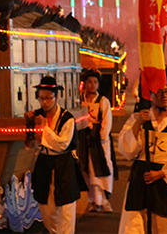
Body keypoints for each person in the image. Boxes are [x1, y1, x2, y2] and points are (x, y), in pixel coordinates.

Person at [117, 85, 167, 234]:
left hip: (165, 182)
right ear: (150, 95)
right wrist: (138, 123)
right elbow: (127, 151)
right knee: (134, 226)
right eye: (159, 92)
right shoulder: (138, 119)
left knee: (166, 226)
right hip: (141, 179)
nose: (164, 95)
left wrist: (161, 173)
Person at [27, 75, 84, 234]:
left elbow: (62, 144)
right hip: (44, 163)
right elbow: (31, 140)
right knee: (47, 209)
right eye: (41, 98)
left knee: (66, 209)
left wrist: (44, 128)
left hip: (64, 164)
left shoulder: (67, 118)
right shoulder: (37, 115)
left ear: (56, 96)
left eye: (48, 98)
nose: (44, 102)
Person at [78, 70, 115, 212]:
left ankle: (104, 200)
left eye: (95, 82)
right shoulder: (80, 100)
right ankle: (93, 201)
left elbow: (107, 122)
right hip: (84, 139)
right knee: (86, 169)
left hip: (99, 141)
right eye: (89, 82)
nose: (92, 85)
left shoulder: (103, 101)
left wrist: (101, 138)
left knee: (101, 169)